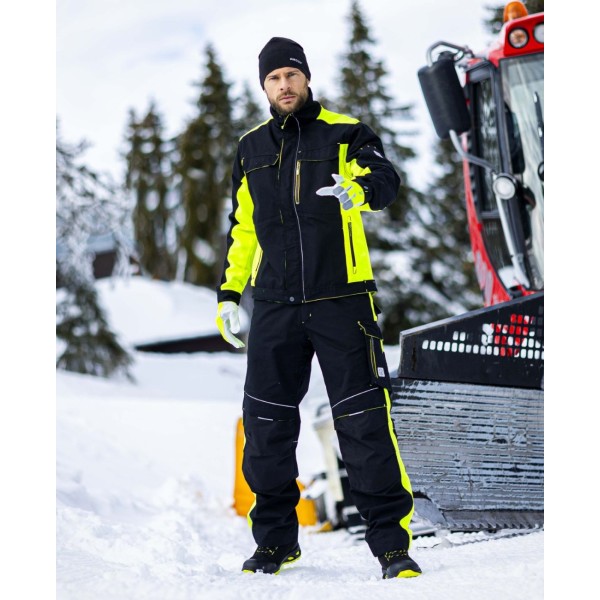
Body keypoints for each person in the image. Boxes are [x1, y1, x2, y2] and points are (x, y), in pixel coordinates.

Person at [216, 36, 421, 580]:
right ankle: (275, 544)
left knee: (363, 423)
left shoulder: (345, 132)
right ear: (263, 87)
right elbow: (243, 229)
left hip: (341, 299)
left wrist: (360, 190)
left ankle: (391, 546)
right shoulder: (251, 148)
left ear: (306, 77)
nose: (284, 85)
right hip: (275, 304)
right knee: (265, 427)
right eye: (273, 78)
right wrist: (230, 294)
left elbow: (386, 179)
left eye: (291, 74)